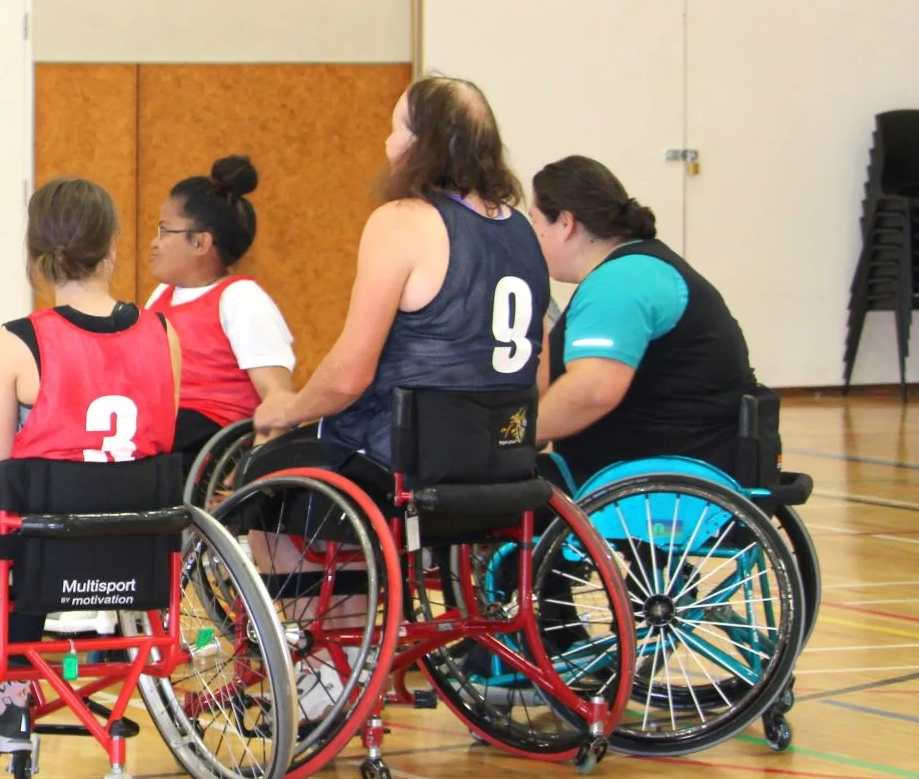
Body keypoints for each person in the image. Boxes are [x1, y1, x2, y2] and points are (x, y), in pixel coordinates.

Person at [252, 75, 547, 478]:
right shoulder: (522, 231)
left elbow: (349, 378)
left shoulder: (402, 221)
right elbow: (539, 372)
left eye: (394, 130)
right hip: (506, 458)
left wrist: (289, 408)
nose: (387, 143)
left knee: (264, 472)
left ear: (419, 145)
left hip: (405, 455)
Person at [0, 176, 180, 746]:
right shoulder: (163, 332)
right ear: (112, 245)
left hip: (46, 548)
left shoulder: (17, 341)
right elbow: (160, 438)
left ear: (37, 253)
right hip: (139, 543)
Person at [532, 156, 759, 486]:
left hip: (652, 477)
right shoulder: (639, 267)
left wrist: (512, 437)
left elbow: (593, 391)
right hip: (663, 459)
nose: (532, 237)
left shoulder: (620, 282)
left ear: (565, 223)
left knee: (482, 488)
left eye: (535, 221)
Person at [141, 156, 296, 456]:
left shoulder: (240, 298)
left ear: (200, 243)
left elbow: (278, 397)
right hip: (164, 423)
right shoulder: (161, 295)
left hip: (210, 434)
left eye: (164, 230)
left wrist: (252, 466)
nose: (154, 242)